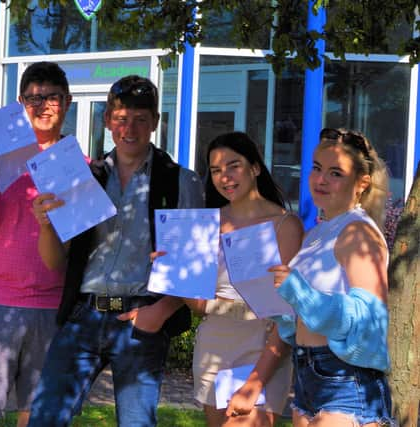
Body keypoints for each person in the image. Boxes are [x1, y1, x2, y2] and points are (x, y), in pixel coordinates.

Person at [27, 75, 205, 427]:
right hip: (83, 316)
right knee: (44, 418)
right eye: (122, 118)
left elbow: (194, 268)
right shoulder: (83, 177)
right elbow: (54, 262)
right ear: (107, 120)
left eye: (141, 119)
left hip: (140, 320)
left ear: (155, 122)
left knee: (137, 422)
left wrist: (161, 311)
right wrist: (46, 226)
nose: (130, 129)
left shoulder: (181, 182)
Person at [0, 61, 73, 427]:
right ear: (21, 102)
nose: (42, 105)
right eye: (33, 98)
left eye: (51, 96)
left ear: (67, 102)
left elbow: (70, 254)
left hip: (52, 308)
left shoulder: (78, 166)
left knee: (39, 418)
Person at [270, 128, 394, 427]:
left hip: (345, 378)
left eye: (335, 173)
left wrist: (300, 294)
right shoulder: (317, 232)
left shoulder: (358, 232)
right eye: (316, 168)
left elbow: (369, 317)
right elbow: (305, 311)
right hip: (307, 375)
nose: (321, 179)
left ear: (361, 183)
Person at [185, 132, 303, 426]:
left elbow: (287, 314)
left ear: (255, 168)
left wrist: (256, 380)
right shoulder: (207, 223)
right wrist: (172, 272)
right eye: (215, 170)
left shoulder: (285, 225)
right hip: (213, 345)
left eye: (233, 165)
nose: (224, 177)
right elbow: (198, 305)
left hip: (261, 347)